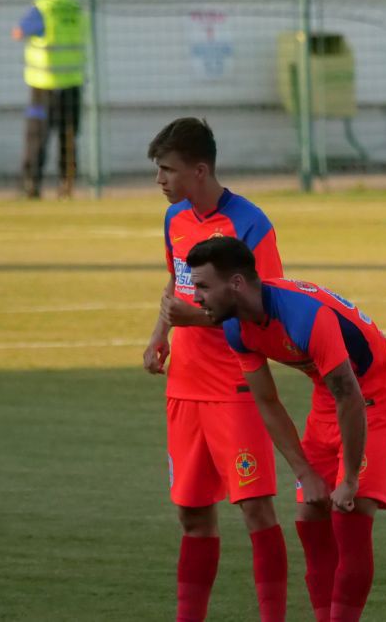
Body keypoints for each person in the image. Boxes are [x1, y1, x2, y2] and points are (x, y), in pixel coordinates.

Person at [185, 236, 386, 622]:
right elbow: (268, 402)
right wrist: (305, 473)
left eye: (204, 286)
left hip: (376, 398)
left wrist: (351, 479)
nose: (196, 298)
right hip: (330, 397)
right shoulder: (238, 329)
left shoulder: (305, 317)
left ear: (236, 283)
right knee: (311, 517)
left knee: (348, 516)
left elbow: (352, 397)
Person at [141, 118, 287, 622]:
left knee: (255, 510)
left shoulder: (250, 224)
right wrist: (160, 335)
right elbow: (175, 284)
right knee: (191, 513)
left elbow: (266, 309)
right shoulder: (175, 219)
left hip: (235, 387)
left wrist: (200, 318)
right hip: (184, 389)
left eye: (168, 170)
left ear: (200, 170)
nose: (160, 180)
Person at [11, 0, 84, 199]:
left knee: (37, 136)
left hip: (44, 85)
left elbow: (18, 32)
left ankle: (31, 185)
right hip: (72, 83)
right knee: (69, 136)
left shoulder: (43, 8)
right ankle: (67, 185)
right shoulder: (75, 8)